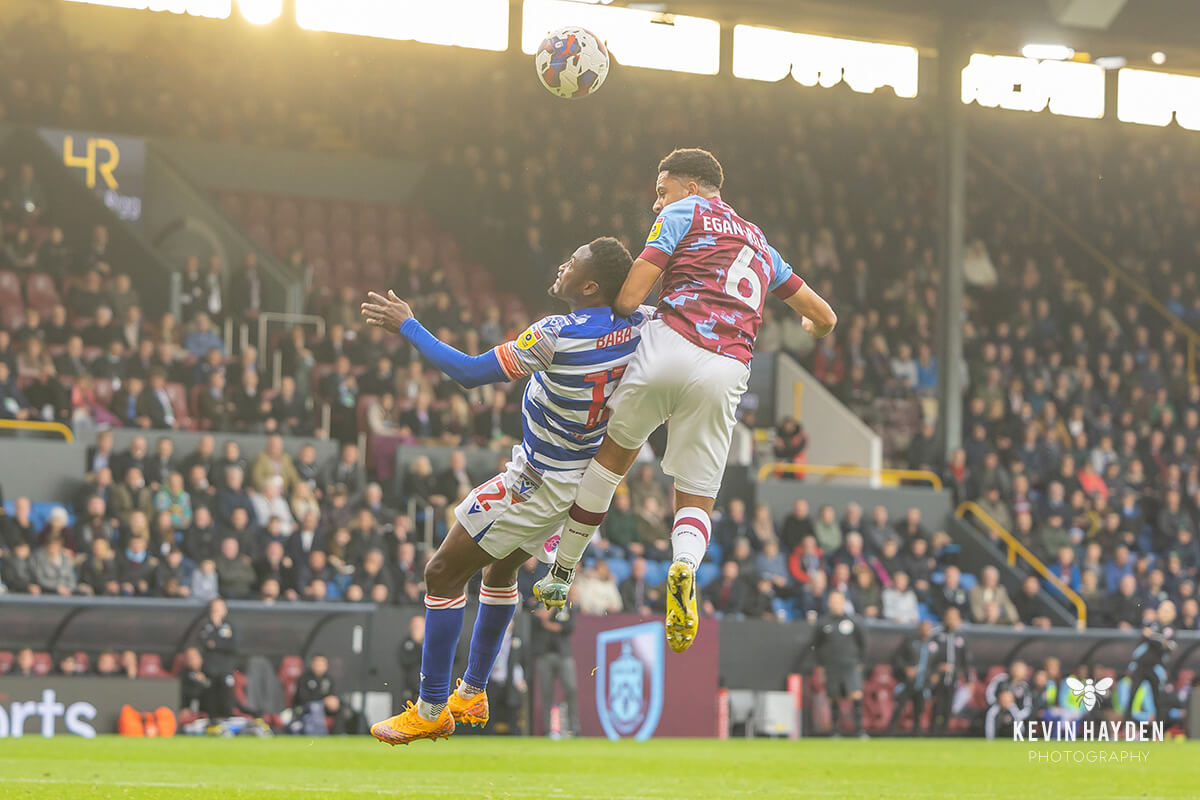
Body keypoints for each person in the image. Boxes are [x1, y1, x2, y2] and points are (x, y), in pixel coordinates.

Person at [535, 148, 836, 655]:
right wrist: (813, 325)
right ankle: (684, 567)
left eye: (661, 191)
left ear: (692, 188)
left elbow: (629, 300)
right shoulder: (761, 243)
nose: (657, 204)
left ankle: (562, 573)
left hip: (670, 345)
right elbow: (823, 314)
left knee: (610, 463)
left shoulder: (684, 213)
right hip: (726, 369)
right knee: (695, 495)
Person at [361, 237, 645, 745]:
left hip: (537, 479)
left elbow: (469, 373)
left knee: (442, 572)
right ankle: (470, 691)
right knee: (500, 569)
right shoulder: (641, 327)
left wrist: (408, 323)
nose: (563, 263)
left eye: (573, 260)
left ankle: (430, 708)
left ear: (590, 285)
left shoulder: (555, 334)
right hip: (579, 481)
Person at [811, 590, 867, 738]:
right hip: (831, 665)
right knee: (834, 696)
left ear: (843, 602)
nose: (835, 604)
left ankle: (860, 730)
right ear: (829, 603)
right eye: (833, 601)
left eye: (838, 600)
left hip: (850, 664)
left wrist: (861, 661)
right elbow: (816, 645)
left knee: (855, 694)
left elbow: (863, 643)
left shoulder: (853, 621)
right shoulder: (823, 623)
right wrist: (821, 664)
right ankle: (835, 730)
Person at [1123, 600, 1177, 722]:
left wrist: (1152, 636)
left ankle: (1158, 730)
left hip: (1156, 668)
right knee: (1132, 696)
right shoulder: (1151, 624)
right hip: (1141, 666)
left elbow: (1167, 646)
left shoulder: (1172, 630)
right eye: (1162, 610)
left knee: (1157, 699)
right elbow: (1145, 635)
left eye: (1168, 611)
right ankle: (1125, 727)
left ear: (1173, 614)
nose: (1164, 613)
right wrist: (1158, 639)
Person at [887, 620, 935, 734]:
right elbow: (897, 658)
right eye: (924, 628)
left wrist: (935, 673)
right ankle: (889, 732)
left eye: (928, 628)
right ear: (919, 628)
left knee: (919, 711)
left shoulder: (934, 645)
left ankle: (917, 734)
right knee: (899, 708)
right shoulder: (910, 641)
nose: (926, 630)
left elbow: (936, 663)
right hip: (908, 682)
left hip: (923, 682)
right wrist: (906, 668)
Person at [197, 598, 237, 721]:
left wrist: (215, 644)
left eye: (219, 608)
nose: (217, 611)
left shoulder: (229, 626)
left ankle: (228, 722)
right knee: (210, 698)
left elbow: (232, 645)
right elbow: (204, 642)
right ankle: (212, 723)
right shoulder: (205, 626)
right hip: (209, 669)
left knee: (226, 696)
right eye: (214, 609)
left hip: (225, 669)